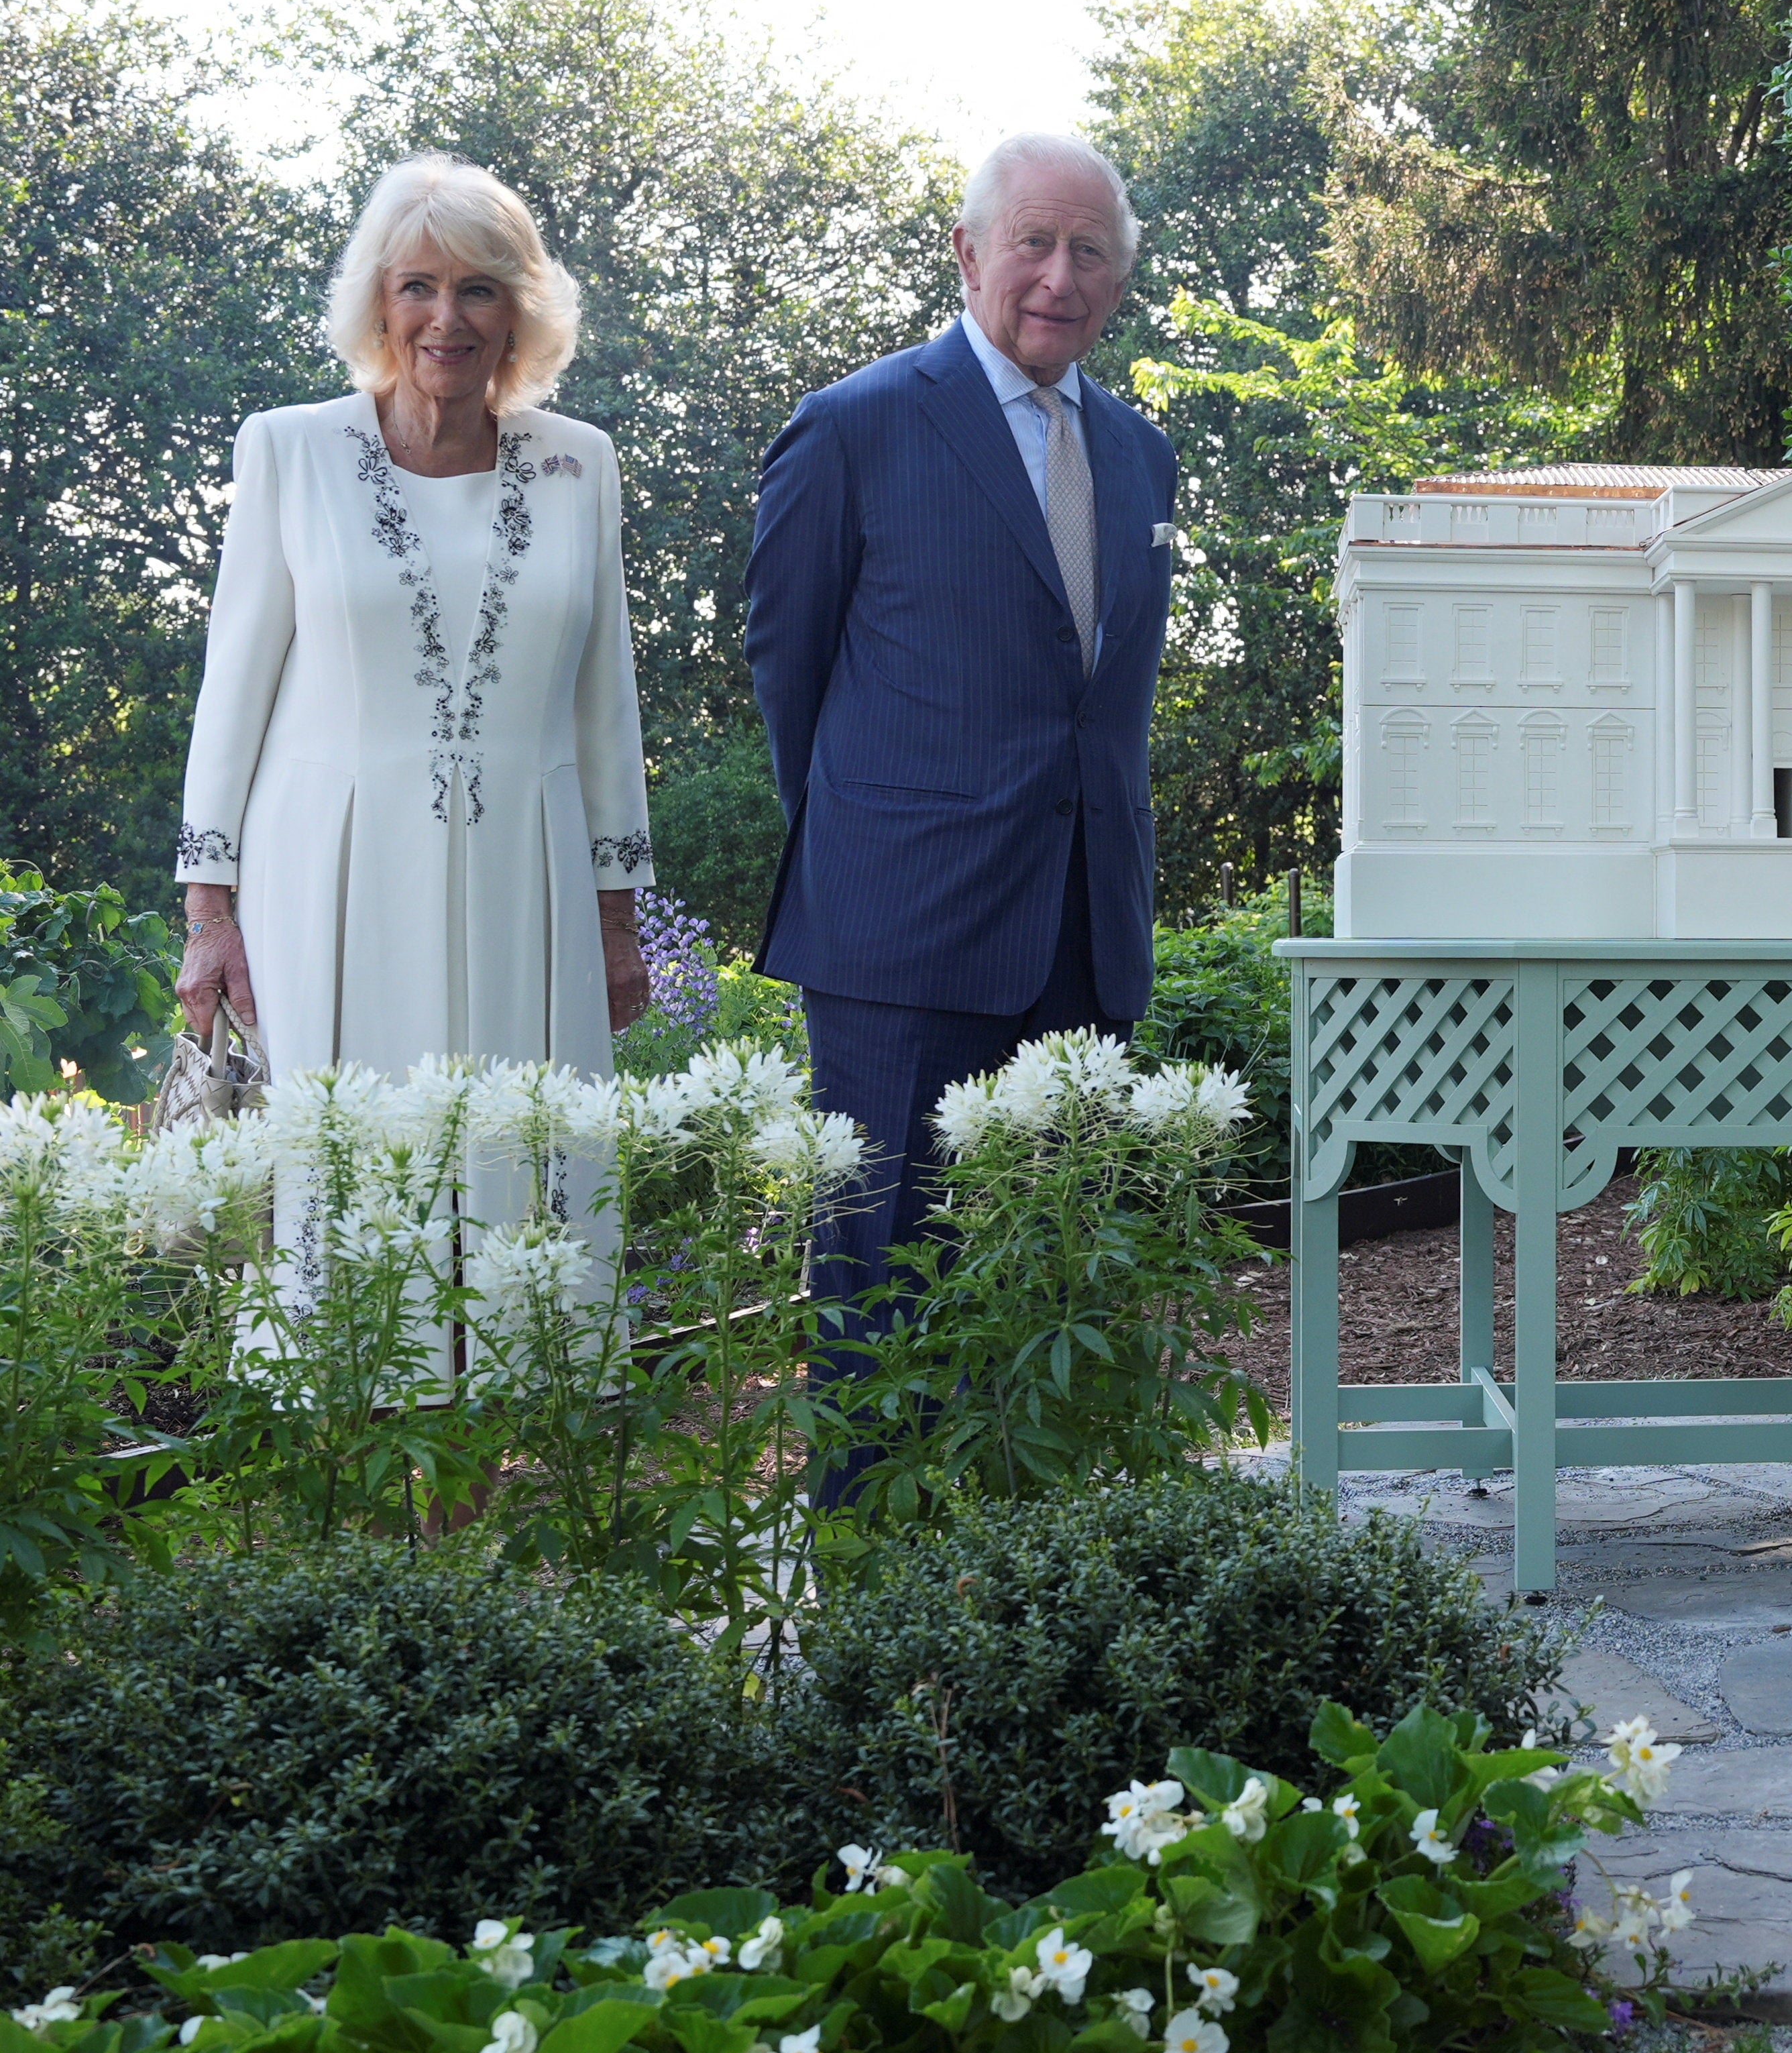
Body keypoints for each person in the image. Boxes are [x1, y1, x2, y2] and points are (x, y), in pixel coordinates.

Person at [746, 132, 1178, 1486]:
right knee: (885, 1293)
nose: (1061, 276)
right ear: (968, 253)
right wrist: (879, 846)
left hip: (1082, 938)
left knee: (1053, 1290)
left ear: (1120, 275)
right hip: (902, 947)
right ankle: (873, 1608)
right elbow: (789, 669)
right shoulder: (856, 427)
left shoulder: (1143, 454)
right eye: (1035, 244)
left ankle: (1039, 1601)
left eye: (1091, 250)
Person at [173, 152, 655, 1092]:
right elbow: (231, 692)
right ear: (378, 305)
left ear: (519, 310)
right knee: (348, 1183)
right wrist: (208, 913)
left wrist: (616, 922)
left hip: (533, 884)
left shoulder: (580, 465)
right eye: (418, 287)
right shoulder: (289, 450)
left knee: (529, 1177)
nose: (447, 318)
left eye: (478, 289)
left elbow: (606, 707)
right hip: (329, 881)